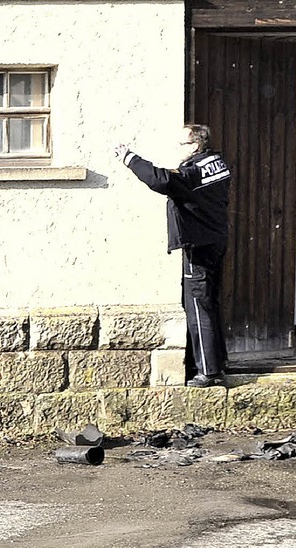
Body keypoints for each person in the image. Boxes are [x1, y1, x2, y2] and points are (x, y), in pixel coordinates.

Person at [115, 124, 231, 388]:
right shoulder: (219, 164)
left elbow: (162, 180)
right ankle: (217, 362)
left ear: (195, 145)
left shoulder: (192, 172)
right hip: (216, 240)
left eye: (181, 144)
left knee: (198, 305)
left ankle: (209, 372)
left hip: (199, 244)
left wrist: (130, 158)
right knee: (211, 303)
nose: (177, 149)